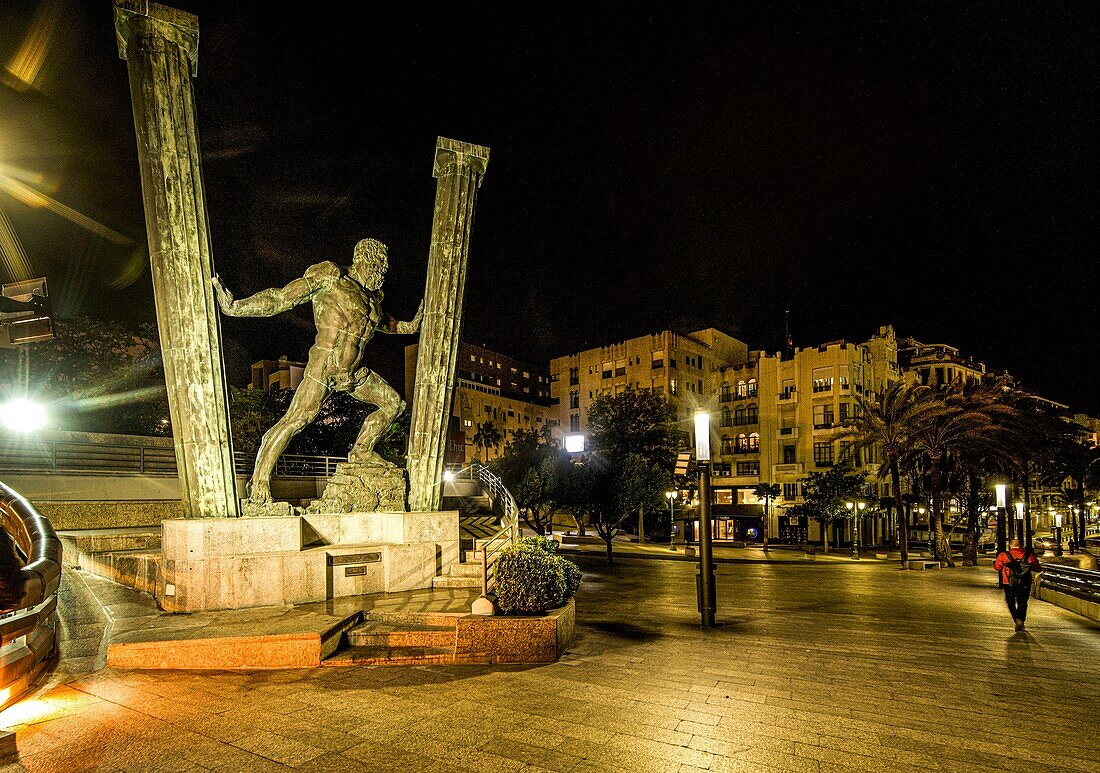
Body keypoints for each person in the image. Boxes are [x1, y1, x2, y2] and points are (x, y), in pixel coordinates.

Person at [212, 238, 422, 504]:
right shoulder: (330, 276)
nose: (382, 274)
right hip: (323, 367)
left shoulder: (373, 301)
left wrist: (413, 325)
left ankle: (361, 450)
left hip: (354, 374)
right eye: (378, 266)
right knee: (296, 420)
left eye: (384, 269)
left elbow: (388, 326)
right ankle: (260, 482)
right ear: (363, 260)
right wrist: (236, 308)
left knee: (394, 404)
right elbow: (280, 298)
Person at [993, 538, 1042, 631]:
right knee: (1023, 602)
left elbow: (997, 567)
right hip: (1025, 582)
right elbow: (1037, 567)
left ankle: (1017, 619)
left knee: (1010, 602)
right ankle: (1021, 620)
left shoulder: (1003, 555)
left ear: (1010, 545)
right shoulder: (1029, 556)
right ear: (1021, 546)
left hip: (1008, 582)